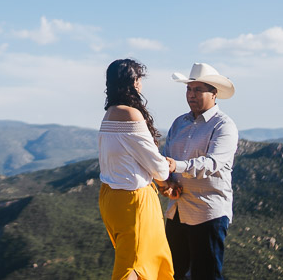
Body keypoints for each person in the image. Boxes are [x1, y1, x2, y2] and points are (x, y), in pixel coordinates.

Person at [98, 58, 177, 280]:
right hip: (133, 201)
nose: (140, 83)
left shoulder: (109, 114)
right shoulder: (131, 115)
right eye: (138, 78)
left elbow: (129, 159)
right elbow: (158, 168)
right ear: (132, 82)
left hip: (109, 197)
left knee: (135, 257)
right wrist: (167, 171)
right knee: (134, 264)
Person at [161, 62, 239, 280]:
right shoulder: (179, 123)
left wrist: (177, 166)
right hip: (177, 211)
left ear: (214, 94)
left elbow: (212, 164)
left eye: (198, 89)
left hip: (208, 214)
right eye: (188, 89)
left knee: (206, 276)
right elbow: (166, 157)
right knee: (171, 273)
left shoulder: (224, 126)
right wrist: (166, 183)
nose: (191, 95)